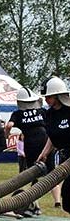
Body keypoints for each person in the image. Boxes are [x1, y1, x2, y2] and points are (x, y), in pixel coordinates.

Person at [5, 86, 60, 209]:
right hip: (45, 141)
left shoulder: (17, 113)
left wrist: (6, 135)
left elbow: (9, 125)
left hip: (31, 144)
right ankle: (57, 201)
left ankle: (35, 203)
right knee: (52, 172)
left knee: (33, 173)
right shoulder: (42, 111)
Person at [37, 76, 70, 213]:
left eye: (49, 96)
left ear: (58, 96)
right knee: (67, 200)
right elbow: (52, 136)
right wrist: (44, 153)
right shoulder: (49, 114)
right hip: (64, 158)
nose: (46, 99)